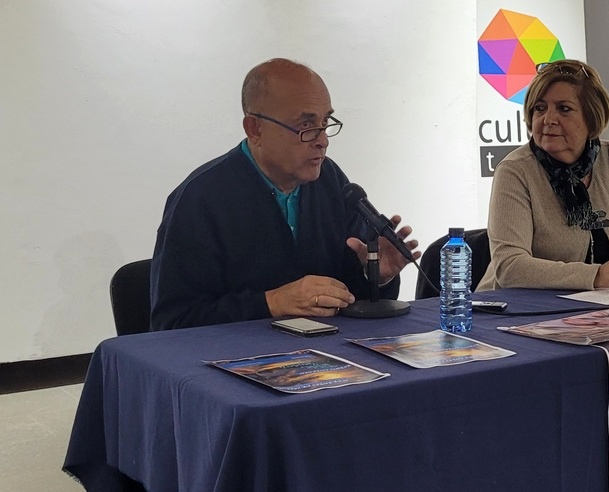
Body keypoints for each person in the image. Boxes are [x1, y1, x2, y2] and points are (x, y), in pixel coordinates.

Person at [151, 58, 419, 330]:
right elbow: (173, 323)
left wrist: (375, 275)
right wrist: (271, 303)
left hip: (325, 350)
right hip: (238, 354)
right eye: (306, 125)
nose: (322, 140)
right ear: (255, 129)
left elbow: (346, 296)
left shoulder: (330, 181)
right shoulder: (200, 199)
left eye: (325, 121)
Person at [477, 59, 609, 291]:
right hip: (516, 307)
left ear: (591, 117)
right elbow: (510, 268)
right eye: (540, 108)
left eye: (564, 109)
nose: (548, 119)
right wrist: (597, 275)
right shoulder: (515, 170)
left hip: (602, 302)